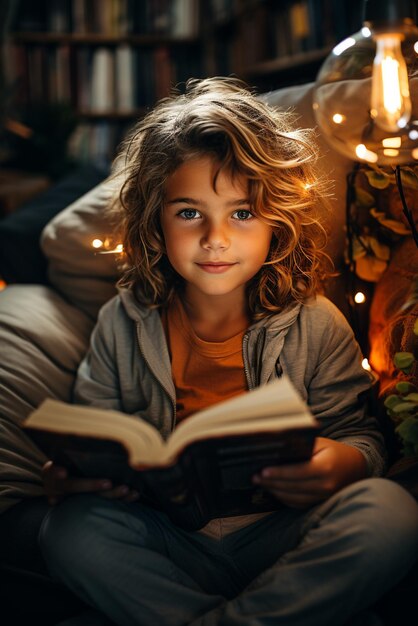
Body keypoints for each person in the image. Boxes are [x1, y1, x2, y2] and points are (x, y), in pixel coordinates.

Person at [38, 77, 418, 626]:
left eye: (242, 213)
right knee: (70, 529)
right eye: (189, 213)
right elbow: (93, 432)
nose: (215, 239)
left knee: (392, 513)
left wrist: (346, 463)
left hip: (285, 534)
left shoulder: (314, 321)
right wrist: (71, 477)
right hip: (168, 541)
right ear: (155, 221)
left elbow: (359, 433)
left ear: (276, 222)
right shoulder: (122, 323)